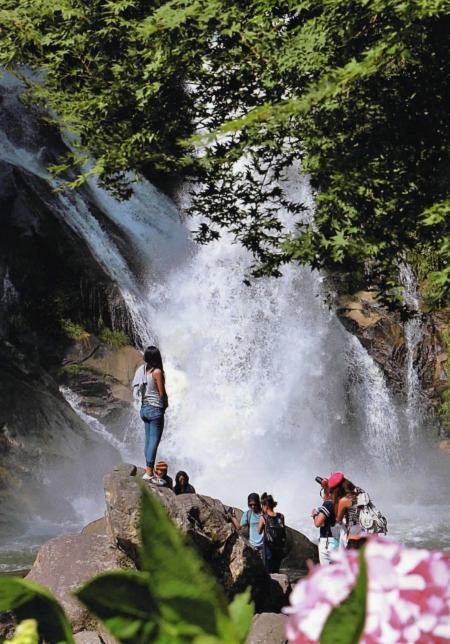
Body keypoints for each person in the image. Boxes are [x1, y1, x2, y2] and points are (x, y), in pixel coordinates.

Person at [132, 346, 168, 482]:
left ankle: (149, 470)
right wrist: (165, 405)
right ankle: (149, 472)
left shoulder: (142, 371)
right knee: (153, 442)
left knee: (148, 440)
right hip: (155, 409)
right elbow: (161, 393)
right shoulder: (157, 372)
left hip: (144, 409)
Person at [329, 473, 367, 549]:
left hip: (355, 537)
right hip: (369, 534)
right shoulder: (360, 493)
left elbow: (338, 521)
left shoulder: (344, 500)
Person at [229, 493, 265, 562]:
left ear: (258, 503)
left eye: (255, 504)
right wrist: (233, 516)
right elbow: (239, 527)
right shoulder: (248, 514)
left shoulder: (264, 514)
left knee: (264, 570)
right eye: (250, 505)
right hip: (252, 547)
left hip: (264, 548)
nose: (253, 507)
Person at [311, 478, 339, 565]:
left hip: (328, 542)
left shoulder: (328, 504)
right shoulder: (339, 503)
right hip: (338, 541)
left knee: (328, 574)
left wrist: (315, 515)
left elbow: (318, 523)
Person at [258, 494, 286, 573]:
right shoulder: (281, 516)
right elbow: (283, 531)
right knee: (276, 570)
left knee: (268, 571)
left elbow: (259, 531)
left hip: (268, 548)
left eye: (262, 506)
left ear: (265, 506)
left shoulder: (263, 517)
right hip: (279, 548)